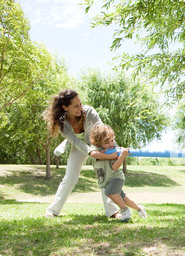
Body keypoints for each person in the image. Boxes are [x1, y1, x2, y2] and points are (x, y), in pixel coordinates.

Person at [43, 89, 120, 218]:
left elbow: (103, 132)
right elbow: (75, 141)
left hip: (97, 142)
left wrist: (117, 149)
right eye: (76, 106)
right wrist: (91, 153)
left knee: (103, 174)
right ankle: (52, 210)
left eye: (80, 103)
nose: (81, 107)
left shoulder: (89, 112)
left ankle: (112, 211)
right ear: (65, 107)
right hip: (78, 145)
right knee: (70, 177)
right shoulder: (62, 122)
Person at [88, 123, 147, 222]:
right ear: (98, 142)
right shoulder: (95, 149)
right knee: (123, 198)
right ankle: (140, 208)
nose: (111, 144)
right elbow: (94, 154)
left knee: (109, 192)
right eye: (107, 142)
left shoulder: (114, 150)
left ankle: (124, 210)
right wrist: (109, 156)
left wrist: (122, 156)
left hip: (116, 177)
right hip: (106, 180)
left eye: (112, 140)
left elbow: (115, 167)